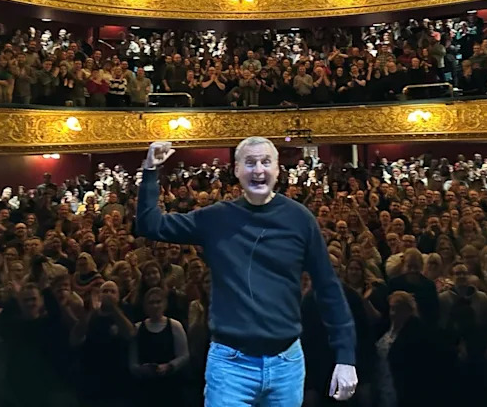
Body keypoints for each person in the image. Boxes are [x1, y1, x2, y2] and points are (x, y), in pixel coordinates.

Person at [137, 138, 358, 405]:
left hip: (287, 364)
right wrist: (150, 170)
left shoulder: (300, 220)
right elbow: (150, 224)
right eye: (250, 163)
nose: (258, 170)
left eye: (266, 162)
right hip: (230, 366)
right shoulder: (216, 218)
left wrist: (345, 357)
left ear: (277, 169)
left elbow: (328, 288)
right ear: (237, 169)